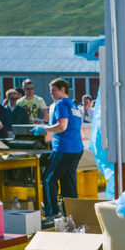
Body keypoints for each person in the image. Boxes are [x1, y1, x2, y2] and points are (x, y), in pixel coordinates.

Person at [31, 78, 83, 217]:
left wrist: (44, 129)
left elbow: (62, 126)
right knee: (68, 182)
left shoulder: (60, 104)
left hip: (64, 148)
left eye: (54, 90)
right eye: (50, 91)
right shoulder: (73, 105)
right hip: (76, 148)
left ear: (62, 89)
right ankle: (72, 214)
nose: (51, 93)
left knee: (49, 180)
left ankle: (51, 213)